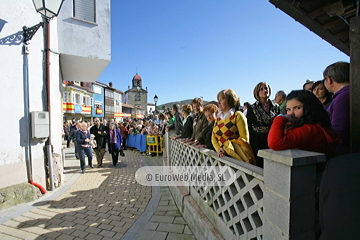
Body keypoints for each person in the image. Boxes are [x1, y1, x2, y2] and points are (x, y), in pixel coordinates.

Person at [268, 90, 340, 159]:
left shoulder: (309, 130)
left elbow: (274, 143)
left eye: (297, 108)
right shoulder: (312, 125)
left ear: (309, 108)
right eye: (288, 109)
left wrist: (280, 118)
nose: (291, 113)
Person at [212, 89, 252, 162]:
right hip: (221, 156)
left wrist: (226, 148)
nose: (218, 103)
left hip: (235, 159)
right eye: (218, 100)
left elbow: (244, 140)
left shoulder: (238, 115)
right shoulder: (218, 118)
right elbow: (213, 137)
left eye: (221, 99)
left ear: (229, 100)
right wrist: (219, 149)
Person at [247, 82, 280, 167]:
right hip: (257, 140)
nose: (264, 91)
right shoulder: (252, 108)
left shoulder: (276, 107)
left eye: (266, 88)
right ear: (257, 92)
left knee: (272, 163)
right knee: (259, 164)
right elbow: (248, 126)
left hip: (272, 138)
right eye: (261, 89)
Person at [323, 62, 350, 155]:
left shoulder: (342, 97)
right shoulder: (349, 93)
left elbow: (339, 130)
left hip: (343, 153)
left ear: (329, 79)